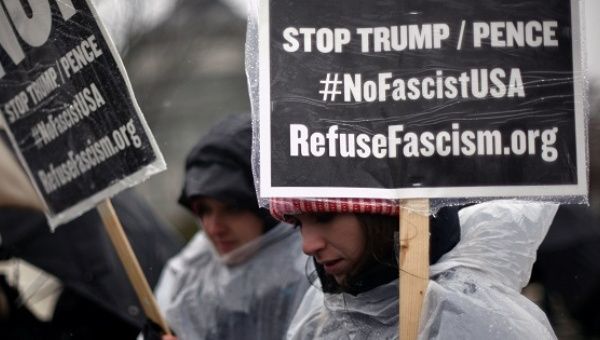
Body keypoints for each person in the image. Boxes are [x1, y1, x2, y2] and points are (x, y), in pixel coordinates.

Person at [269, 198, 559, 339]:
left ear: (387, 217)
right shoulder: (320, 315)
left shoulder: (474, 318)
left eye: (324, 216)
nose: (307, 245)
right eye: (298, 224)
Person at [146, 113, 310, 340]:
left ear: (267, 207)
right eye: (204, 210)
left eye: (232, 208)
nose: (213, 228)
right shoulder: (192, 270)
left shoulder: (314, 270)